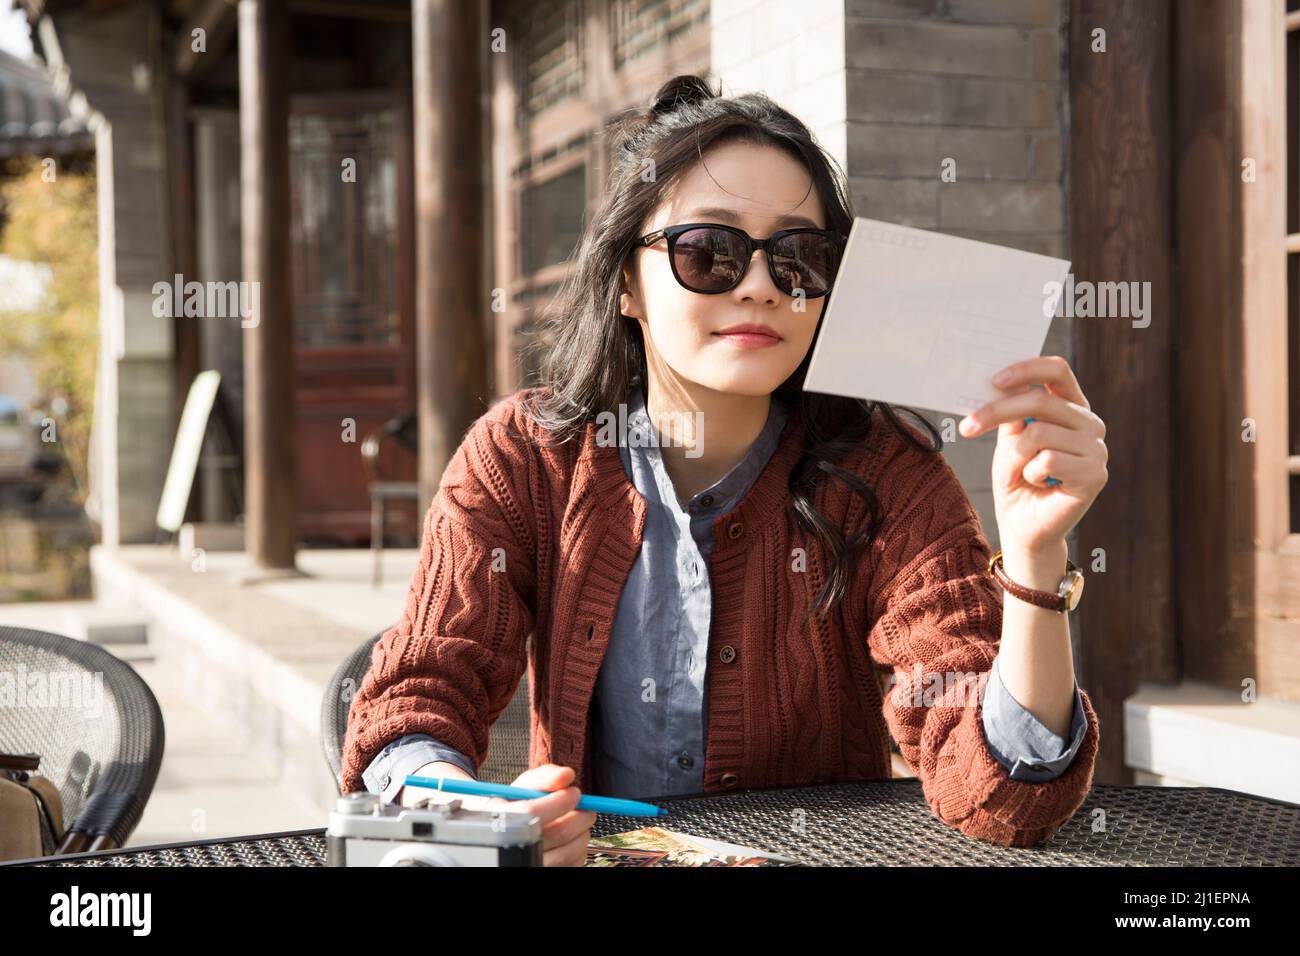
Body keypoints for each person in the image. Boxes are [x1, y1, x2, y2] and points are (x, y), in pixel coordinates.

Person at [340, 73, 1110, 867]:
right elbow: (416, 700)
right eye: (709, 251)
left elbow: (1005, 800)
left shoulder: (888, 478)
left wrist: (1033, 563)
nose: (760, 286)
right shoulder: (524, 459)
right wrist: (468, 809)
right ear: (626, 284)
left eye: (799, 258)